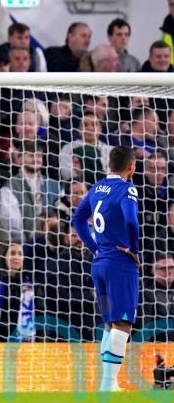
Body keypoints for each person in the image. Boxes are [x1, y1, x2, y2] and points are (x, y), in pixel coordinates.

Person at [71, 146, 141, 391]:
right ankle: (108, 384)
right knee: (122, 324)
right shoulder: (127, 188)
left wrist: (94, 247)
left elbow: (77, 219)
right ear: (131, 167)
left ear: (109, 164)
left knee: (111, 324)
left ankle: (107, 383)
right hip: (120, 264)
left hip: (99, 264)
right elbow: (131, 220)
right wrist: (134, 248)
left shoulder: (97, 188)